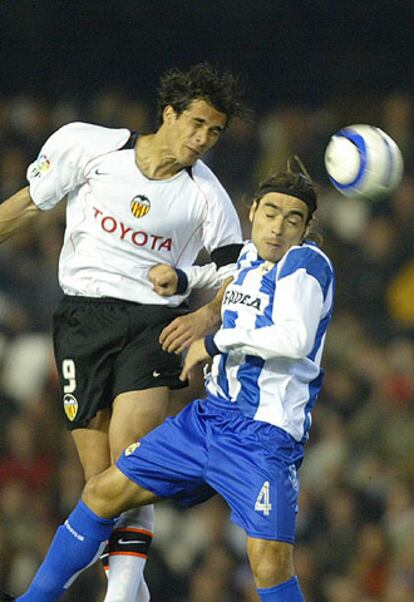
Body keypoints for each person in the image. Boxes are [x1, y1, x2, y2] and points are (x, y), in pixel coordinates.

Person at [0, 156, 335, 601]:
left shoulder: (306, 264)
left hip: (263, 437)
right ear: (252, 211)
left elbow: (293, 338)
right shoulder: (252, 256)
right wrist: (184, 276)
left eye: (292, 220)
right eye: (270, 213)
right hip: (210, 420)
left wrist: (215, 342)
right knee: (103, 492)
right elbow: (227, 280)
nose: (277, 227)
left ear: (306, 227)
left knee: (269, 565)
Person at [0, 63, 250, 602]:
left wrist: (206, 316)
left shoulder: (208, 196)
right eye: (198, 124)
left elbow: (240, 279)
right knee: (100, 488)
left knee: (133, 464)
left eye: (215, 132)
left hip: (151, 327)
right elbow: (26, 206)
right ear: (169, 114)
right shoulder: (90, 147)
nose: (204, 139)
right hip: (80, 322)